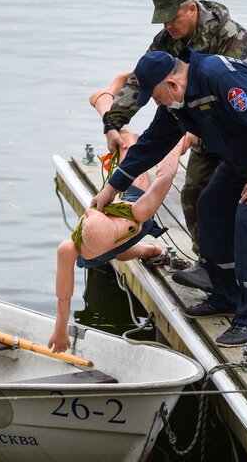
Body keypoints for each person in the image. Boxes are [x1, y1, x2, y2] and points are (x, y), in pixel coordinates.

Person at [92, 49, 247, 347]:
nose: (157, 102)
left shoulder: (220, 77)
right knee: (210, 206)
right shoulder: (178, 102)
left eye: (157, 96)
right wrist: (111, 188)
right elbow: (151, 145)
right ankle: (226, 295)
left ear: (172, 84)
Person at [102, 0, 247, 293]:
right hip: (202, 127)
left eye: (172, 18)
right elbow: (140, 79)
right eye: (162, 20)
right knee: (194, 194)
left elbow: (241, 96)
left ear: (191, 9)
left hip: (243, 131)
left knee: (239, 206)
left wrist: (193, 133)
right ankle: (210, 266)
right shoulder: (168, 38)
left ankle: (244, 277)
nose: (168, 26)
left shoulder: (232, 37)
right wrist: (114, 122)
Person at [49, 79, 191, 354]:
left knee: (130, 149)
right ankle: (105, 108)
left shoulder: (137, 213)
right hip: (117, 230)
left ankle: (104, 104)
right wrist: (60, 329)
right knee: (127, 145)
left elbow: (166, 173)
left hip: (130, 206)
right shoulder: (71, 247)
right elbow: (63, 295)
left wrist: (184, 137)